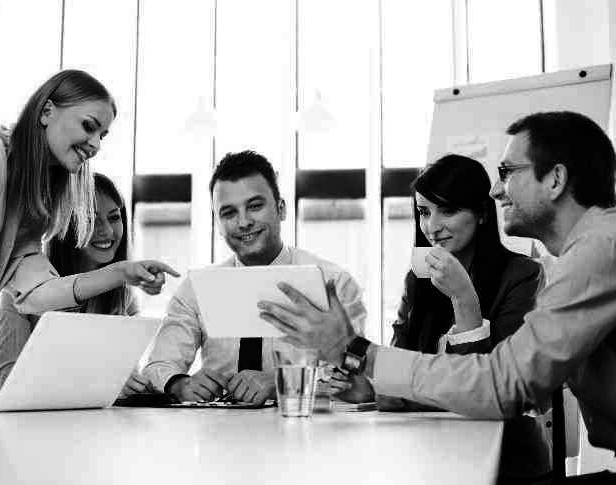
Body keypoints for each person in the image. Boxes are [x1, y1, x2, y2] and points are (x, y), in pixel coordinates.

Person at [259, 111, 616, 480]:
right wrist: (371, 385)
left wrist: (356, 350)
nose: (496, 190)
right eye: (424, 212)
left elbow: (503, 386)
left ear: (555, 179)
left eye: (507, 172)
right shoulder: (589, 250)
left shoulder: (596, 251)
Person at [0, 69, 176, 403]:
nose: (96, 144)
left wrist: (121, 273)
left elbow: (36, 293)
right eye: (89, 126)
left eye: (103, 135)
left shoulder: (30, 197)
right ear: (47, 111)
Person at [329, 154, 550, 480]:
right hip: (427, 449)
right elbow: (402, 363)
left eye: (447, 210)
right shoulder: (418, 279)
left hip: (505, 458)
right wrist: (371, 390)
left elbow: (490, 394)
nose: (432, 226)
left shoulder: (523, 275)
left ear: (481, 213)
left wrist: (464, 300)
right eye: (424, 212)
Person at [141, 150, 367, 405]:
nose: (244, 222)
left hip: (303, 424)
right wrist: (180, 384)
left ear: (281, 209)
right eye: (229, 213)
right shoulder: (196, 289)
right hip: (218, 426)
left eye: (255, 206)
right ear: (217, 224)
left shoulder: (334, 283)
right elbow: (158, 367)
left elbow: (355, 372)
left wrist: (283, 381)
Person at [0, 173, 157, 396]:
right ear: (64, 225)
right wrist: (99, 379)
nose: (107, 231)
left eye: (114, 218)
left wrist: (132, 384)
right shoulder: (21, 291)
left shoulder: (124, 297)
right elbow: (6, 382)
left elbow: (124, 377)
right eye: (90, 220)